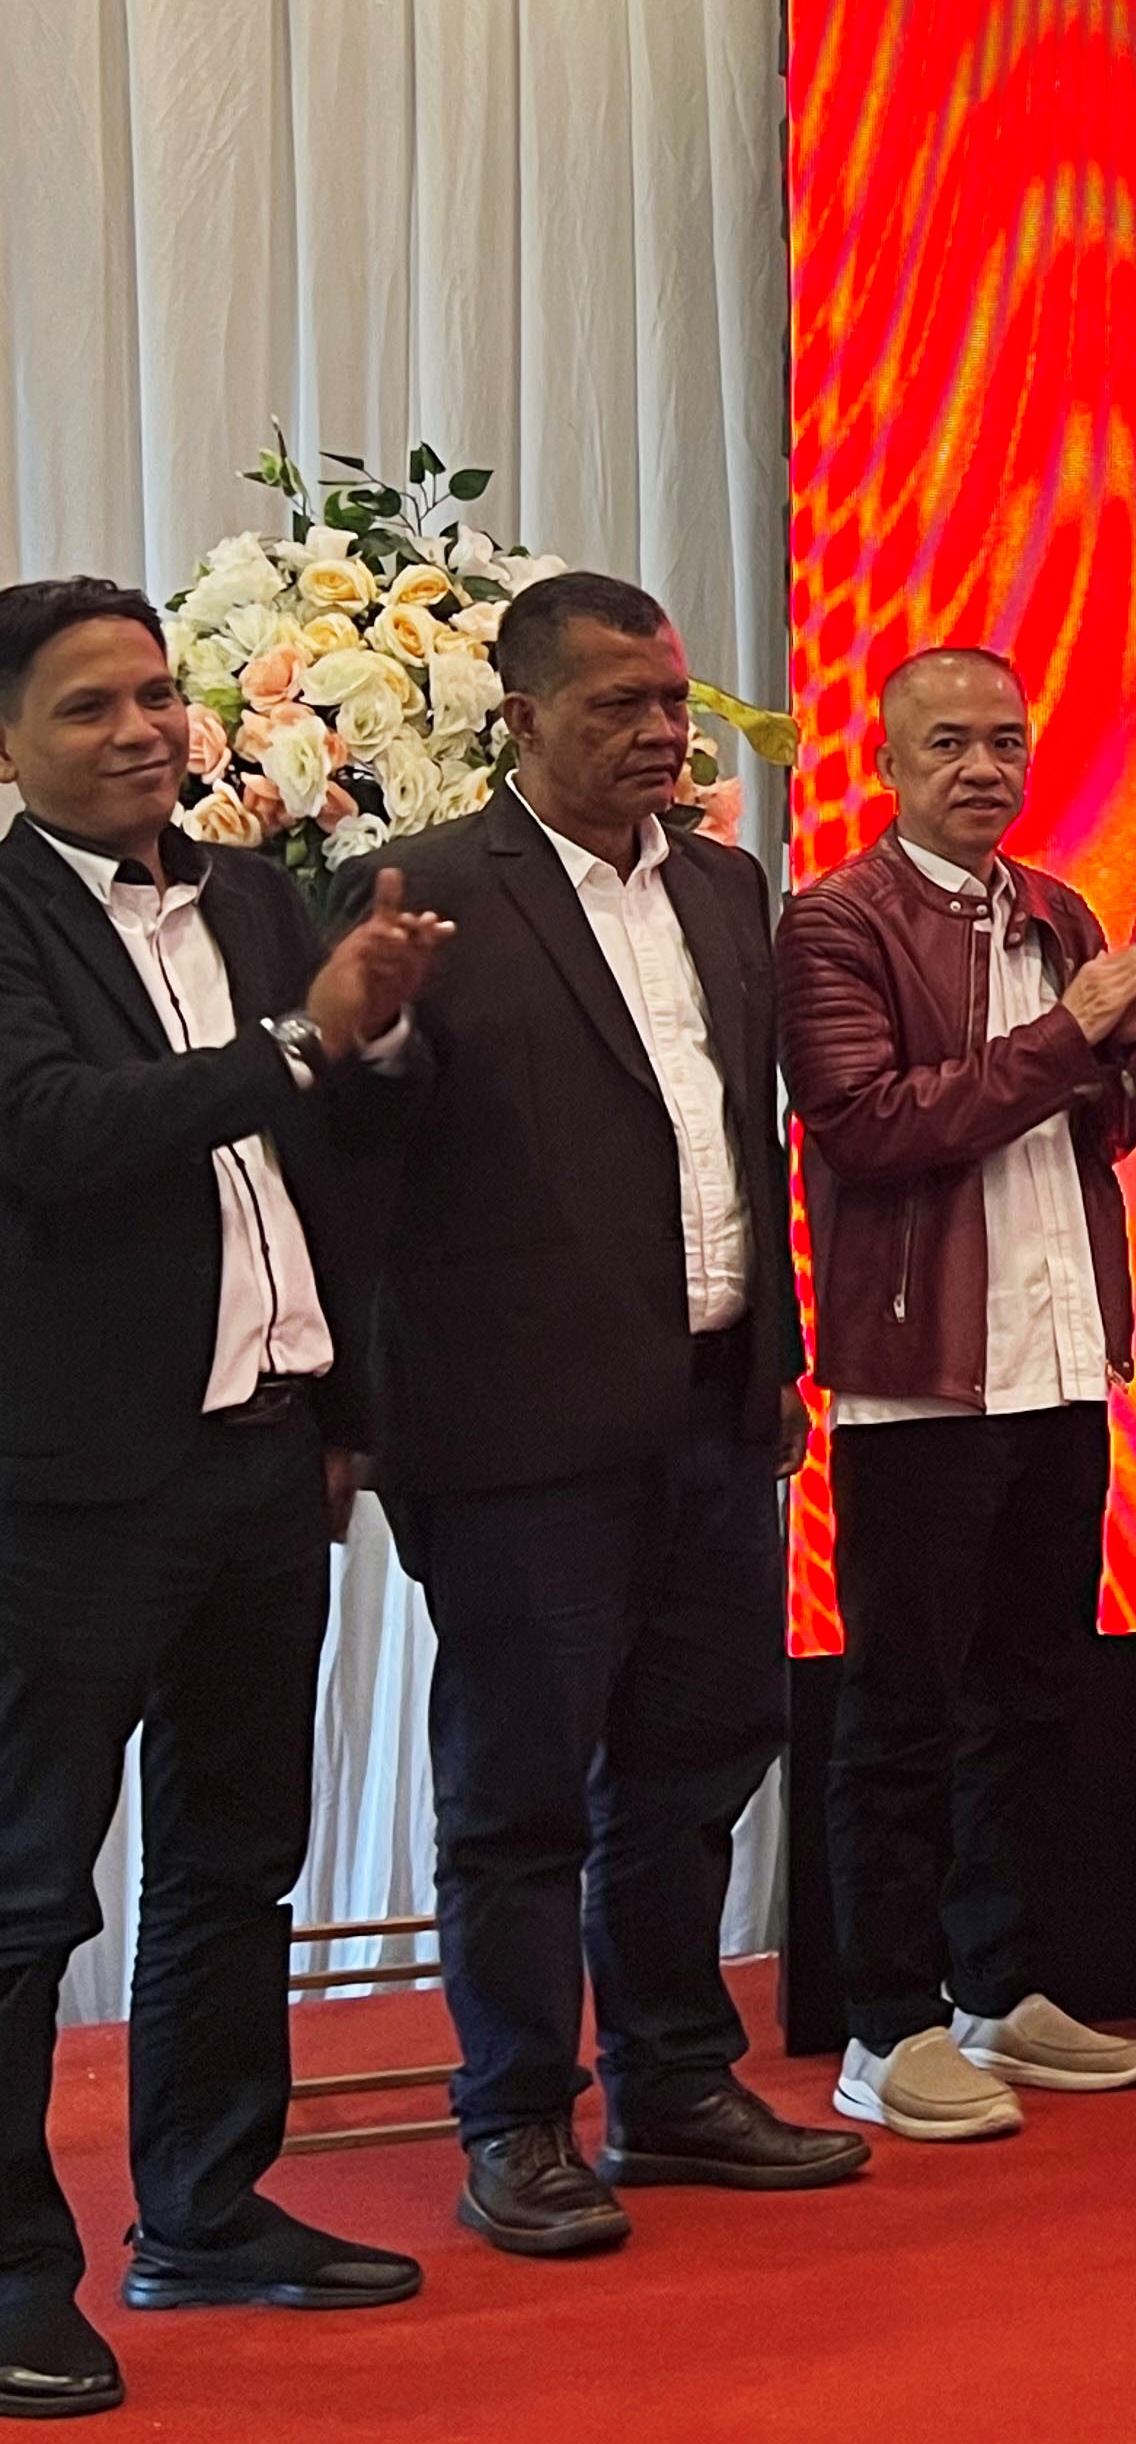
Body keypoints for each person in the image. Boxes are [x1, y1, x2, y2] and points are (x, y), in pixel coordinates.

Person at [359, 572, 863, 2257]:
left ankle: (676, 2081)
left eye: (671, 702)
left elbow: (738, 1142)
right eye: (618, 708)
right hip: (517, 1437)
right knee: (517, 1789)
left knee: (696, 1758)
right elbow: (367, 1163)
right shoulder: (429, 890)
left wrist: (776, 1359)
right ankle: (515, 2118)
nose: (661, 733)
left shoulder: (724, 882)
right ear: (520, 719)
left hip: (713, 1408)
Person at [0, 579, 448, 2414]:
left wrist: (381, 1034)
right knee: (28, 1887)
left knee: (234, 1854)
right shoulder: (9, 918)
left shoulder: (258, 894)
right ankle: (11, 2273)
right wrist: (298, 1044)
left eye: (156, 693)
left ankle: (202, 2207)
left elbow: (348, 1143)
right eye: (88, 704)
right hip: (71, 1480)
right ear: (7, 741)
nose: (141, 729)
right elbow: (54, 1134)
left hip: (270, 1445)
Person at [775, 647, 1136, 2144]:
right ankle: (882, 2025)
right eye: (948, 743)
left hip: (1061, 1358)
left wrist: (1130, 1051)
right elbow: (871, 1127)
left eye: (1005, 742)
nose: (983, 769)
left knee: (1033, 1696)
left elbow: (1100, 1129)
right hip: (923, 1378)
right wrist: (1074, 1034)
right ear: (888, 762)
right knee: (901, 1711)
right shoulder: (837, 919)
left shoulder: (1059, 911)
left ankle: (996, 1988)